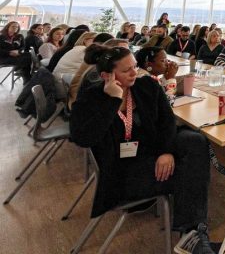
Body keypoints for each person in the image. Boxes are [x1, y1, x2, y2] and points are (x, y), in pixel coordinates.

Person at [69, 46, 216, 253]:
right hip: (121, 170)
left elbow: (166, 121)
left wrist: (166, 151)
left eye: (135, 67)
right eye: (126, 70)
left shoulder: (146, 85)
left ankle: (191, 235)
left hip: (150, 153)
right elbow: (83, 138)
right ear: (106, 76)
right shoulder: (91, 98)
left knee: (195, 140)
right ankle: (192, 235)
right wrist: (112, 100)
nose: (134, 73)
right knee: (191, 174)